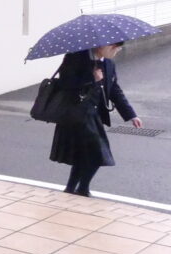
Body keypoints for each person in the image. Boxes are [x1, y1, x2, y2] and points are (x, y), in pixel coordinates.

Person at [50, 43, 142, 197]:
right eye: (114, 47)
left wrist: (131, 115)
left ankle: (73, 189)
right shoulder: (75, 57)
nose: (117, 51)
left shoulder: (109, 63)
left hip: (94, 116)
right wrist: (91, 78)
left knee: (84, 154)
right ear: (102, 46)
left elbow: (114, 89)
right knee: (98, 153)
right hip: (76, 114)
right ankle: (82, 189)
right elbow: (66, 83)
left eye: (118, 48)